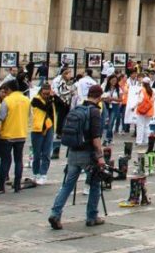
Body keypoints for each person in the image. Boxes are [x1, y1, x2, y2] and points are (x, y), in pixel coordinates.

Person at [48, 85, 106, 229]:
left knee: (67, 185)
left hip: (73, 152)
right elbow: (96, 137)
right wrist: (100, 156)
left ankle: (55, 213)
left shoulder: (77, 108)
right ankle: (92, 216)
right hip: (88, 153)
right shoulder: (94, 112)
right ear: (99, 97)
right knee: (94, 184)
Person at [0, 80, 30, 193]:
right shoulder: (26, 99)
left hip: (8, 134)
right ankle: (17, 185)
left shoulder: (7, 100)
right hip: (21, 133)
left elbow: (1, 116)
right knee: (18, 160)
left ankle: (1, 186)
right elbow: (29, 114)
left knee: (5, 160)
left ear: (9, 89)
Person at [31, 82, 57, 185]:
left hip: (49, 127)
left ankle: (43, 174)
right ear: (41, 92)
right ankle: (36, 173)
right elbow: (45, 107)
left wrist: (55, 97)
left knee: (46, 153)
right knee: (37, 153)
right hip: (38, 129)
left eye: (48, 94)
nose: (46, 96)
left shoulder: (51, 99)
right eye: (44, 94)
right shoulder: (36, 100)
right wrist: (51, 99)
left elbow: (63, 106)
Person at [131, 78, 155, 148]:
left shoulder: (142, 90)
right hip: (149, 110)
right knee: (147, 126)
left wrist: (133, 107)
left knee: (140, 126)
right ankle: (146, 140)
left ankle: (139, 141)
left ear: (143, 83)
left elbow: (140, 100)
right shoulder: (151, 91)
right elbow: (153, 100)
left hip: (141, 110)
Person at [101, 74, 122, 145]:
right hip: (105, 105)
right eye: (112, 80)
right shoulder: (104, 87)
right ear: (109, 80)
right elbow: (100, 97)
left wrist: (112, 99)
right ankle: (108, 138)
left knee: (111, 122)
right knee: (105, 122)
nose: (114, 82)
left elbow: (120, 99)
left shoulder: (118, 89)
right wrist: (106, 99)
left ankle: (107, 138)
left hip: (114, 106)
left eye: (115, 81)